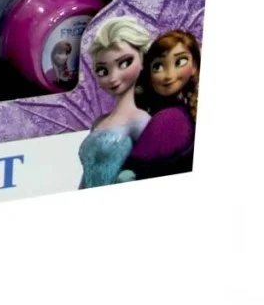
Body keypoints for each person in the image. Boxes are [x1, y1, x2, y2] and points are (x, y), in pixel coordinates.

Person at [78, 17, 152, 187]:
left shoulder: (140, 121)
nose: (113, 78)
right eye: (102, 70)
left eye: (125, 63)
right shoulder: (99, 122)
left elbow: (152, 169)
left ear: (142, 60)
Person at [124, 30, 200, 179]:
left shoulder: (169, 117)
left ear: (195, 66)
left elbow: (129, 174)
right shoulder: (179, 113)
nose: (169, 76)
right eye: (158, 66)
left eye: (180, 62)